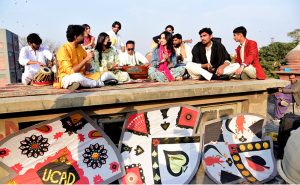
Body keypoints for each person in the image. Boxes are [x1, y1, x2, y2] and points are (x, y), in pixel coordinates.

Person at [54, 25, 112, 90]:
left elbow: (88, 67)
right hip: (67, 77)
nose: (84, 37)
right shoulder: (63, 49)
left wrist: (90, 60)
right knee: (77, 77)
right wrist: (86, 59)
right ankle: (99, 83)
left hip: (84, 76)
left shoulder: (80, 47)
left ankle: (81, 84)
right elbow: (71, 72)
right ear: (75, 36)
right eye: (82, 35)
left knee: (107, 74)